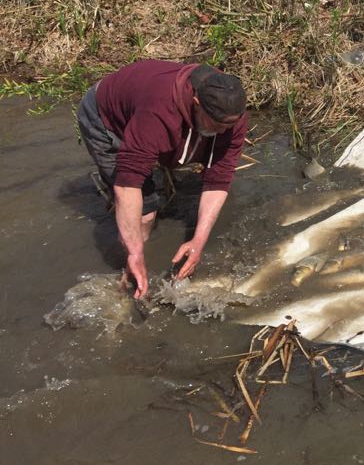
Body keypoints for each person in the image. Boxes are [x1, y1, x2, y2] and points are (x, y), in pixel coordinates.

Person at [77, 60, 249, 299]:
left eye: (228, 126)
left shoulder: (232, 115)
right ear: (196, 103)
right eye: (216, 125)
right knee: (145, 213)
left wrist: (198, 241)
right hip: (104, 119)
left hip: (146, 111)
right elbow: (128, 185)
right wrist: (136, 253)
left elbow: (218, 180)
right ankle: (130, 274)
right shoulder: (158, 112)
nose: (223, 131)